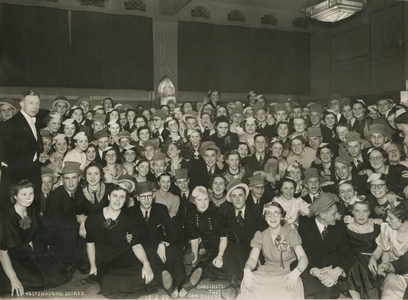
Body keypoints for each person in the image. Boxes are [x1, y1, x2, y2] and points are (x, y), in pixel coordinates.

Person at [0, 180, 73, 296]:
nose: (29, 197)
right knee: (40, 281)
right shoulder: (9, 219)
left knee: (59, 271)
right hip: (11, 261)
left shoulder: (30, 210)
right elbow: (3, 254)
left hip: (27, 256)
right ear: (15, 196)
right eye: (24, 194)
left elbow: (42, 231)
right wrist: (14, 279)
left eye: (31, 193)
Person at [84, 184, 155, 298]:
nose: (118, 200)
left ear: (125, 200)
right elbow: (90, 242)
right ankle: (136, 285)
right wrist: (93, 266)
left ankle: (135, 283)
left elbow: (136, 244)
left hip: (125, 259)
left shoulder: (129, 218)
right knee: (108, 283)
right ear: (108, 197)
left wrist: (146, 263)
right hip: (105, 261)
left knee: (144, 273)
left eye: (122, 197)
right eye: (115, 196)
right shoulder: (94, 217)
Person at [239, 202, 308, 300]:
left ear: (282, 217)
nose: (272, 217)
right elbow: (253, 259)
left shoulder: (291, 233)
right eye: (268, 214)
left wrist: (296, 273)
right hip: (267, 273)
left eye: (276, 213)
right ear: (265, 218)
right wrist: (247, 269)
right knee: (248, 281)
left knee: (295, 284)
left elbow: (303, 257)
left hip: (287, 273)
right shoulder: (260, 235)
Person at [127, 182, 185, 298]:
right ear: (137, 198)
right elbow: (134, 238)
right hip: (142, 249)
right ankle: (168, 285)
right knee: (149, 252)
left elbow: (174, 234)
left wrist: (163, 243)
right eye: (143, 197)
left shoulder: (161, 208)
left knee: (173, 248)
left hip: (158, 244)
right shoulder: (131, 212)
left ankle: (182, 283)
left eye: (149, 196)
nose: (147, 200)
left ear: (153, 196)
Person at [298, 193, 355, 299]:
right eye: (334, 213)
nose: (338, 216)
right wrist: (316, 272)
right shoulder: (305, 226)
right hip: (313, 268)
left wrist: (338, 270)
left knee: (330, 293)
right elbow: (305, 253)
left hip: (331, 269)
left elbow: (346, 252)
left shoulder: (338, 226)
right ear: (322, 215)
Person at [180, 186, 231, 298]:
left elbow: (223, 238)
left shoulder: (218, 212)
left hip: (223, 245)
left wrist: (220, 255)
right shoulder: (190, 213)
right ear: (194, 201)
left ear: (209, 199)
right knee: (205, 262)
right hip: (207, 246)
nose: (203, 203)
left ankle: (194, 276)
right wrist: (194, 258)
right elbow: (193, 238)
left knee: (211, 261)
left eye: (205, 199)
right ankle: (196, 269)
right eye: (199, 200)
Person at [0, 90, 42, 218]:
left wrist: (38, 156)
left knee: (28, 218)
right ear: (22, 104)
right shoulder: (10, 124)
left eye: (37, 103)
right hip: (17, 181)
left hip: (31, 177)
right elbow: (3, 157)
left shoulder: (34, 122)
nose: (35, 106)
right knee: (15, 219)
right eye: (31, 103)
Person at [222, 180, 265, 299]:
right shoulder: (227, 215)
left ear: (246, 196)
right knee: (229, 249)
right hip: (239, 253)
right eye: (234, 196)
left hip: (256, 252)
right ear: (230, 199)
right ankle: (233, 284)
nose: (237, 199)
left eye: (240, 195)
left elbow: (264, 233)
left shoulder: (256, 211)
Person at [42, 162, 88, 270]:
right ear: (63, 179)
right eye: (67, 178)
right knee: (71, 233)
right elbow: (59, 223)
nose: (71, 182)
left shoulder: (81, 193)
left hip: (71, 229)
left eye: (74, 178)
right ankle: (60, 260)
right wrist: (81, 226)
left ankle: (79, 261)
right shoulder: (55, 196)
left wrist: (84, 223)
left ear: (79, 178)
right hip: (52, 232)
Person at [340, 198, 382, 299]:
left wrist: (374, 258)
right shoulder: (345, 225)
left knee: (359, 263)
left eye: (365, 211)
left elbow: (382, 246)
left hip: (372, 260)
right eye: (357, 211)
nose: (361, 215)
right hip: (352, 261)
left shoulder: (377, 225)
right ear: (352, 212)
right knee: (355, 261)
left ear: (370, 212)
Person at [369, 201, 408, 300]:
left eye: (390, 218)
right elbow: (382, 249)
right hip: (392, 270)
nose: (386, 219)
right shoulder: (388, 229)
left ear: (403, 220)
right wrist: (374, 258)